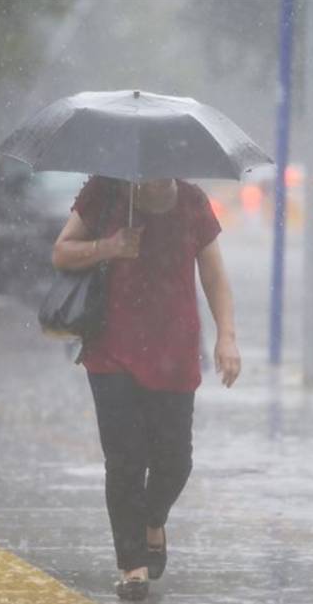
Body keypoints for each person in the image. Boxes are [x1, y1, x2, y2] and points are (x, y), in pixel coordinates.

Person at [52, 175, 241, 601]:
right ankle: (131, 564)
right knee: (125, 462)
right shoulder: (106, 192)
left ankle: (153, 519)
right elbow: (61, 252)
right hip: (111, 349)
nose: (158, 175)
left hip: (174, 350)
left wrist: (226, 335)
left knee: (176, 461)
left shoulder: (192, 202)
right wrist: (110, 246)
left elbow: (213, 275)